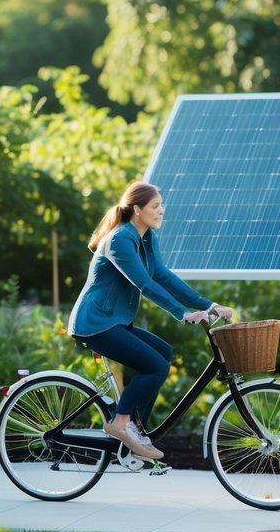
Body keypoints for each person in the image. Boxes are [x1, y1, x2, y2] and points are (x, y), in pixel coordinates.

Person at [68, 181, 234, 460]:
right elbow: (144, 283)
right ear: (137, 209)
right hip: (96, 323)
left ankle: (135, 430)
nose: (161, 211)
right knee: (155, 366)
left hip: (114, 321)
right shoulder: (120, 239)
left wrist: (209, 305)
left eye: (161, 205)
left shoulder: (145, 237)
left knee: (163, 354)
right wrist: (182, 312)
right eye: (155, 206)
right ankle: (121, 424)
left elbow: (162, 275)